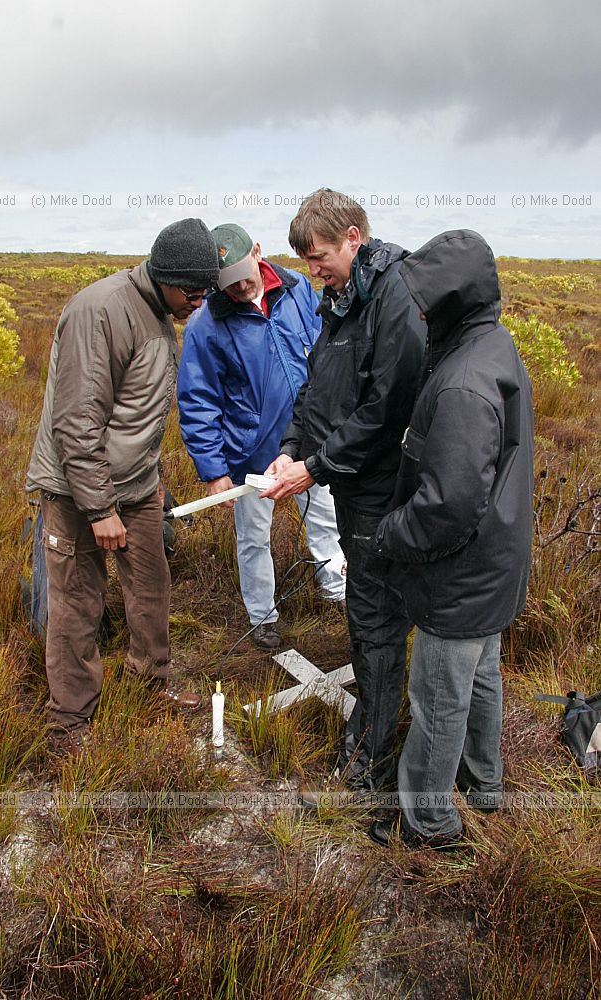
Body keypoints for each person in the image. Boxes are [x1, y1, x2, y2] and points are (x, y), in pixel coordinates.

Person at [368, 229, 534, 849]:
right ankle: (484, 784)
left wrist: (390, 531)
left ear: (451, 301)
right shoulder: (494, 345)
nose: (415, 311)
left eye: (424, 300)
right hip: (496, 559)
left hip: (460, 572)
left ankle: (428, 823)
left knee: (438, 697)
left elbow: (450, 505)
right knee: (481, 672)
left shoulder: (464, 380)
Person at [26, 218, 220, 743]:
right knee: (77, 602)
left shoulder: (160, 310)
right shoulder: (101, 311)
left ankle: (151, 683)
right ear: (167, 276)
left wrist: (150, 482)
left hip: (136, 490)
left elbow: (138, 415)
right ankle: (69, 722)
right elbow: (77, 422)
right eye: (195, 293)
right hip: (77, 493)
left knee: (151, 588)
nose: (199, 303)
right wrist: (100, 510)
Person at [264, 189, 426, 790]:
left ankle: (373, 757)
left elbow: (388, 410)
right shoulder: (339, 298)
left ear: (354, 237)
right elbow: (317, 391)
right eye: (305, 260)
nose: (312, 271)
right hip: (348, 484)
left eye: (321, 255)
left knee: (376, 618)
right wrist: (289, 452)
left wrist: (317, 468)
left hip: (383, 492)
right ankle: (373, 731)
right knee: (364, 610)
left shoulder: (395, 295)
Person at [177, 223, 346, 651]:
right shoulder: (206, 325)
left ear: (257, 251)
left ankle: (337, 591)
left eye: (243, 277)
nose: (238, 288)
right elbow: (198, 401)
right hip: (249, 456)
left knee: (327, 521)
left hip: (309, 443)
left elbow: (324, 354)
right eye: (227, 284)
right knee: (253, 538)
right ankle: (262, 618)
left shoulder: (297, 292)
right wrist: (215, 471)